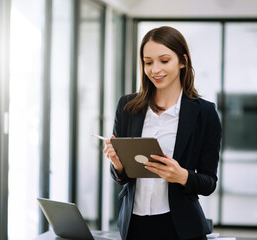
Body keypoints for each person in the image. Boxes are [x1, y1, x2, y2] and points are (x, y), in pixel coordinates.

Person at [103, 26, 222, 240]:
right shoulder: (127, 107)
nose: (155, 70)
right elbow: (120, 177)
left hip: (180, 228)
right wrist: (118, 165)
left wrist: (182, 176)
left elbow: (209, 182)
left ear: (183, 61)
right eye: (148, 62)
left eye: (164, 61)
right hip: (134, 227)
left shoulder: (205, 113)